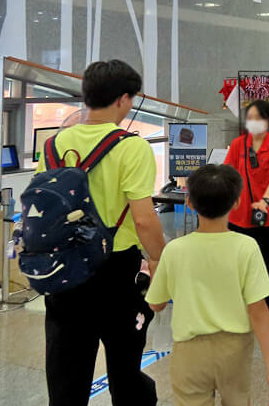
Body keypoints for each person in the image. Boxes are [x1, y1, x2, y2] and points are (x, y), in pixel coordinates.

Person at [39, 60, 166, 406]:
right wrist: (159, 259)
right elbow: (143, 219)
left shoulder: (53, 145)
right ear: (123, 99)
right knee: (125, 371)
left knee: (66, 375)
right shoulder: (131, 147)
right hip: (114, 270)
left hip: (63, 270)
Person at [146, 165, 269, 406]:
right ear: (237, 203)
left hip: (189, 352)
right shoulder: (246, 247)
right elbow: (258, 311)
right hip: (235, 350)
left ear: (189, 202)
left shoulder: (175, 250)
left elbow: (156, 304)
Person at [226, 100, 269, 317]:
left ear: (268, 120)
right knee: (240, 262)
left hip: (267, 215)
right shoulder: (238, 145)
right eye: (249, 118)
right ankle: (241, 303)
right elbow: (229, 174)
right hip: (239, 214)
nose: (253, 122)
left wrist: (266, 201)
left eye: (257, 118)